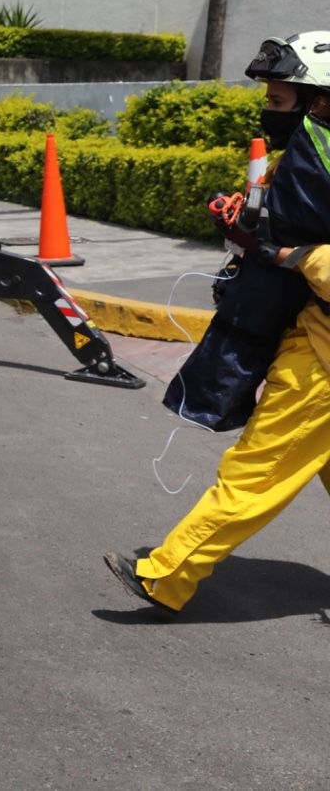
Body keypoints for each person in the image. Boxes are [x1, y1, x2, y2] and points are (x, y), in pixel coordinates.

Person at [105, 32, 330, 616]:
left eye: (281, 103)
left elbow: (306, 249)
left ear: (321, 103)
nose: (269, 113)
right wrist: (251, 228)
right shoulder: (311, 160)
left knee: (256, 472)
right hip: (312, 332)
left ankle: (166, 574)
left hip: (323, 363)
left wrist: (292, 255)